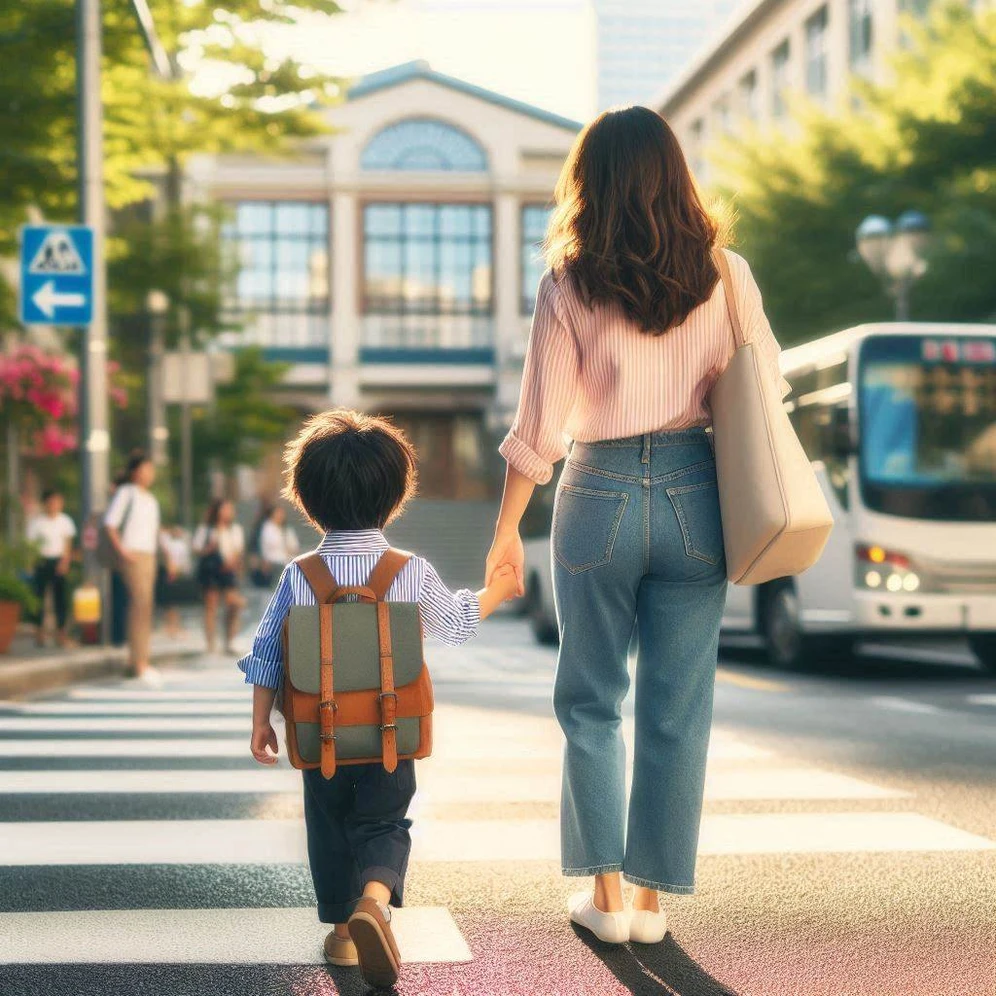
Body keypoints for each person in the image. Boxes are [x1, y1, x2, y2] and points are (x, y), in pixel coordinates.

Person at [485, 106, 790, 945]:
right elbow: (765, 393)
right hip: (700, 495)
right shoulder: (727, 275)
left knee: (591, 702)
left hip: (600, 493)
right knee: (676, 708)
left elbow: (539, 429)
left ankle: (607, 896)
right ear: (674, 174)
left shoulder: (567, 282)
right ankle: (653, 905)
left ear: (590, 183)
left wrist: (507, 531)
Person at [238, 409, 518, 988]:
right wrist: (499, 590)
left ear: (308, 496)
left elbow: (269, 649)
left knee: (329, 823)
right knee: (385, 820)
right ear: (394, 495)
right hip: (394, 731)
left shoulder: (300, 574)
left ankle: (344, 934)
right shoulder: (407, 569)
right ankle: (374, 899)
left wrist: (261, 719)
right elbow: (458, 622)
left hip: (323, 732)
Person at [104, 452, 161, 682]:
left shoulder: (151, 499)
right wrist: (123, 552)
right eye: (146, 469)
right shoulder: (126, 493)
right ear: (135, 471)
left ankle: (135, 660)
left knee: (144, 607)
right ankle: (140, 663)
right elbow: (110, 524)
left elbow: (153, 532)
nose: (150, 474)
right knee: (140, 603)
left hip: (149, 556)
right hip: (132, 556)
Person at [193, 498, 246, 655]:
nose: (228, 512)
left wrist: (234, 564)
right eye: (225, 508)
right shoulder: (206, 529)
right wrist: (209, 548)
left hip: (228, 570)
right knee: (211, 607)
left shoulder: (235, 529)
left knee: (233, 604)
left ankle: (230, 640)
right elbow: (196, 549)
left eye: (230, 509)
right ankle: (211, 644)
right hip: (211, 570)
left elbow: (239, 551)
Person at [26, 489, 76, 647]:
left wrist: (65, 562)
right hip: (41, 561)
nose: (55, 505)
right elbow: (31, 545)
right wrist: (31, 563)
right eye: (52, 501)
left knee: (60, 599)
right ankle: (39, 633)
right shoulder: (36, 523)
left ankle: (61, 633)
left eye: (58, 501)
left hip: (58, 561)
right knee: (38, 597)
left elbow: (68, 543)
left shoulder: (65, 521)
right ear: (45, 503)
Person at [157, 525, 192, 639]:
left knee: (173, 604)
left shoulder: (180, 545)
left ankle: (174, 627)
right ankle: (170, 627)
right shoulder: (167, 542)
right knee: (170, 604)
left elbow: (183, 562)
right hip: (167, 574)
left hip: (175, 574)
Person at [255, 504, 300, 585]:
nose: (280, 516)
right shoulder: (267, 528)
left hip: (288, 559)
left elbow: (294, 547)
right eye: (278, 513)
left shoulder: (288, 530)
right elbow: (268, 546)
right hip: (273, 561)